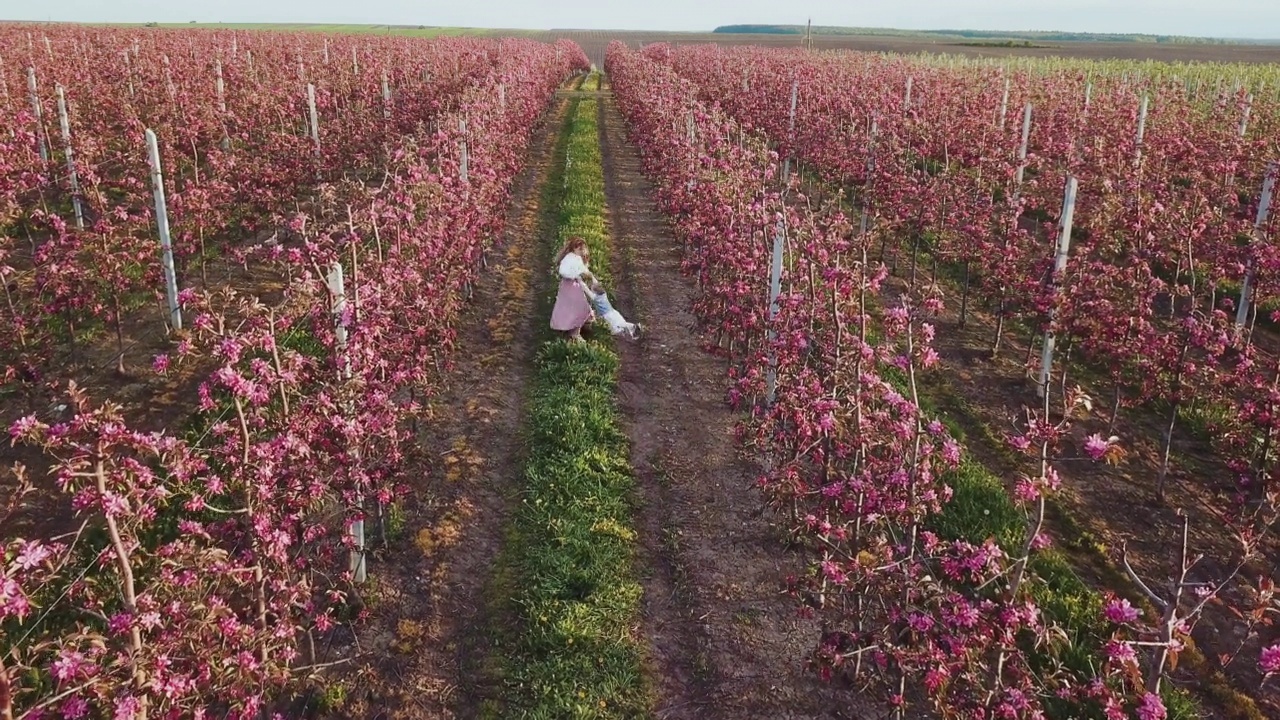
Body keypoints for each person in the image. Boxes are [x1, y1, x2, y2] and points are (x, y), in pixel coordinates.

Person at [550, 237, 596, 342]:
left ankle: (580, 326)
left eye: (583, 249)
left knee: (578, 306)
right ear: (574, 248)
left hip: (575, 286)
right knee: (578, 307)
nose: (582, 251)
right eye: (580, 249)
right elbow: (563, 271)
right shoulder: (569, 258)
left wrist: (589, 275)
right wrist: (575, 275)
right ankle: (575, 332)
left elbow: (583, 269)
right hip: (569, 286)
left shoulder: (577, 258)